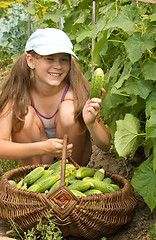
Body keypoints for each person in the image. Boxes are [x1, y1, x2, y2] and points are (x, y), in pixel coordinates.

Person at [0, 28, 111, 167]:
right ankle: (36, 179)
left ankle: (69, 178)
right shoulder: (18, 95)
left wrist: (92, 123)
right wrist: (43, 147)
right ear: (31, 61)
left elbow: (106, 145)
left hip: (73, 164)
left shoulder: (77, 93)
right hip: (37, 165)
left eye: (63, 59)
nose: (57, 66)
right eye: (50, 59)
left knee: (68, 112)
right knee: (25, 116)